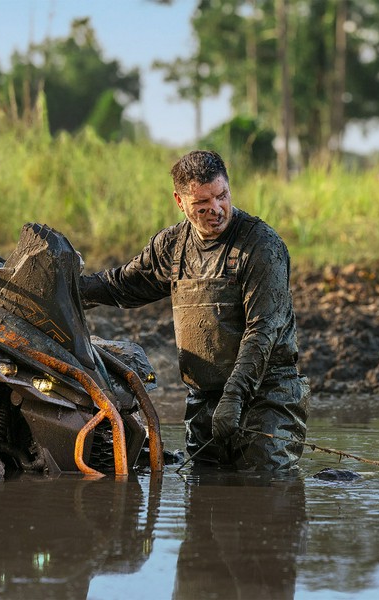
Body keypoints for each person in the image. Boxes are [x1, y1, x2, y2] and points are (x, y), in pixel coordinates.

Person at [79, 150, 310, 471]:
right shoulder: (172, 246)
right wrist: (68, 287)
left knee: (264, 488)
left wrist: (234, 397)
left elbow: (263, 329)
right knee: (202, 490)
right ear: (180, 201)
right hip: (203, 399)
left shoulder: (261, 246)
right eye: (202, 204)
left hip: (267, 396)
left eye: (222, 196)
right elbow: (121, 285)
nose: (215, 209)